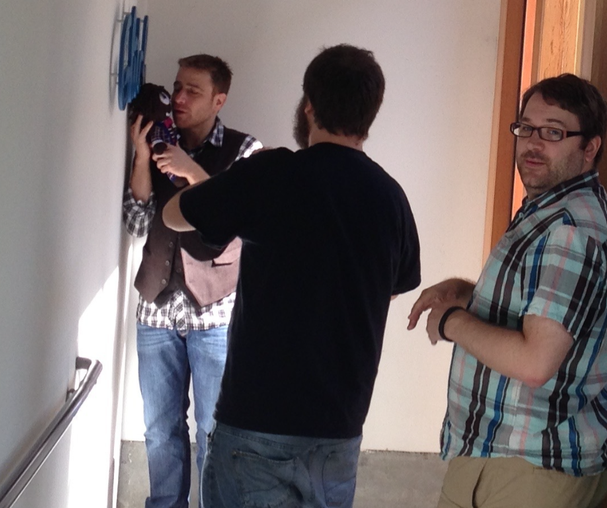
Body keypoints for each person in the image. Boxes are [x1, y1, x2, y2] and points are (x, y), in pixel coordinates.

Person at [161, 44, 421, 508]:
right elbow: (391, 290)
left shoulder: (272, 173)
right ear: (370, 114)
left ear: (309, 106)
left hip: (258, 423)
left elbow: (174, 216)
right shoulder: (390, 197)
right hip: (339, 431)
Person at [408, 73, 607, 508]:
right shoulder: (552, 207)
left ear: (590, 147)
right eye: (526, 128)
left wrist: (452, 322)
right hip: (512, 453)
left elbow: (534, 361)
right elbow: (540, 307)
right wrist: (466, 292)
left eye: (553, 132)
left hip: (530, 462)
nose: (532, 144)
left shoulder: (569, 230)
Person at [123, 54, 260, 508]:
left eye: (193, 91)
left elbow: (247, 222)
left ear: (219, 100)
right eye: (177, 87)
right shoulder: (159, 139)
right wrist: (143, 158)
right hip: (155, 309)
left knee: (212, 430)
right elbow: (137, 221)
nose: (178, 97)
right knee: (159, 429)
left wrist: (191, 170)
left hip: (216, 315)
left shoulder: (246, 152)